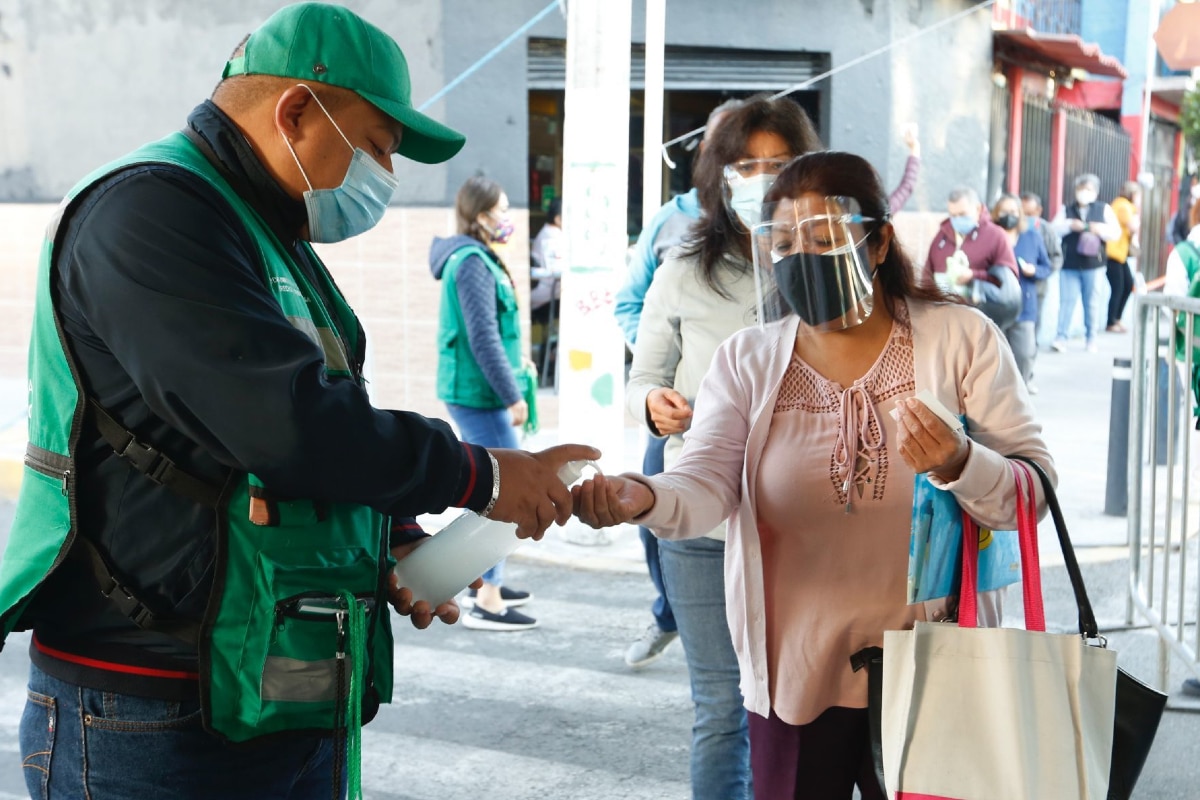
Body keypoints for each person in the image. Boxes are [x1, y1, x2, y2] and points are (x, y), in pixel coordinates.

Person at [0, 6, 598, 798]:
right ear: (295, 112)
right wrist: (479, 475)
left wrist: (396, 536)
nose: (385, 173)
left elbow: (324, 412)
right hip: (149, 711)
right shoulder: (149, 212)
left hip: (274, 683)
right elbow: (281, 423)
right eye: (378, 146)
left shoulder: (264, 228)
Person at [573, 150, 1054, 800]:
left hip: (941, 668)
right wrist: (643, 495)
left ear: (879, 241)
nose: (803, 257)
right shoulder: (749, 359)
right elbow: (707, 485)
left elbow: (1032, 490)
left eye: (826, 238)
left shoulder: (960, 339)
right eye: (783, 242)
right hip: (794, 674)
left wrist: (960, 463)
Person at [627, 95, 821, 799]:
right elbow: (644, 375)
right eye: (747, 165)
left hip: (808, 526)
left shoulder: (833, 266)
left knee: (805, 706)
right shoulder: (682, 265)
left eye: (779, 164)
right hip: (702, 524)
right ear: (719, 173)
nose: (762, 179)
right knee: (721, 711)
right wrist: (653, 406)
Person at [615, 97, 744, 669]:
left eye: (770, 160)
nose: (752, 174)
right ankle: (670, 611)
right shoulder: (673, 226)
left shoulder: (800, 246)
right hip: (692, 434)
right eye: (736, 155)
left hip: (786, 488)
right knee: (656, 512)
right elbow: (631, 303)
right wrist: (655, 391)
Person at [431, 175, 539, 631]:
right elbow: (483, 337)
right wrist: (512, 395)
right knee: (502, 493)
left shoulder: (477, 258)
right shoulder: (472, 262)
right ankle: (485, 597)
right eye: (501, 210)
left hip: (480, 392)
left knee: (494, 491)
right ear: (479, 217)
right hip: (481, 395)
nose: (508, 219)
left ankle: (488, 583)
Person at [922, 186, 1020, 331]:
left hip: (981, 323)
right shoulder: (941, 236)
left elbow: (1007, 285)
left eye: (962, 214)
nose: (957, 220)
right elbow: (927, 276)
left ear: (978, 209)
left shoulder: (996, 236)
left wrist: (973, 276)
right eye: (953, 215)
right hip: (945, 321)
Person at [1050, 173, 1120, 353]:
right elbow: (1053, 230)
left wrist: (1098, 229)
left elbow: (1115, 233)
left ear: (1095, 192)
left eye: (1088, 189)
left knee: (1092, 302)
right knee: (1066, 301)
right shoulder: (1066, 210)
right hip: (1070, 264)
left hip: (1094, 265)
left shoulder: (1103, 209)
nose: (1084, 193)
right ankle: (1061, 337)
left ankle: (1091, 338)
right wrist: (1069, 225)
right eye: (1081, 189)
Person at [992, 193, 1051, 392]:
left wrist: (1034, 271)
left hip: (1025, 304)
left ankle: (1020, 393)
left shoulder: (1031, 237)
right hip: (995, 305)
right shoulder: (990, 235)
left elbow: (1046, 266)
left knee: (1024, 353)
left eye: (1013, 211)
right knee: (995, 357)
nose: (1009, 215)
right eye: (1004, 211)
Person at [1019, 191, 1063, 340]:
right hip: (1016, 285)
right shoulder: (1015, 228)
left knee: (1033, 323)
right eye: (1023, 213)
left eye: (1030, 213)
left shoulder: (1046, 230)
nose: (1026, 217)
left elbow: (1056, 257)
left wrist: (1038, 270)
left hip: (1037, 286)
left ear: (1039, 211)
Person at [1105, 180, 1142, 333]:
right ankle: (1111, 321)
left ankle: (1116, 318)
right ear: (1133, 194)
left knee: (1127, 285)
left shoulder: (1123, 205)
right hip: (1113, 252)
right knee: (1119, 287)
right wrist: (1138, 212)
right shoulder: (1123, 205)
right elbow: (1133, 227)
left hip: (1120, 254)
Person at [887, 122, 922, 214]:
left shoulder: (848, 219)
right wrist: (915, 148)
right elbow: (907, 186)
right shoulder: (879, 215)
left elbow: (906, 186)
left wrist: (915, 148)